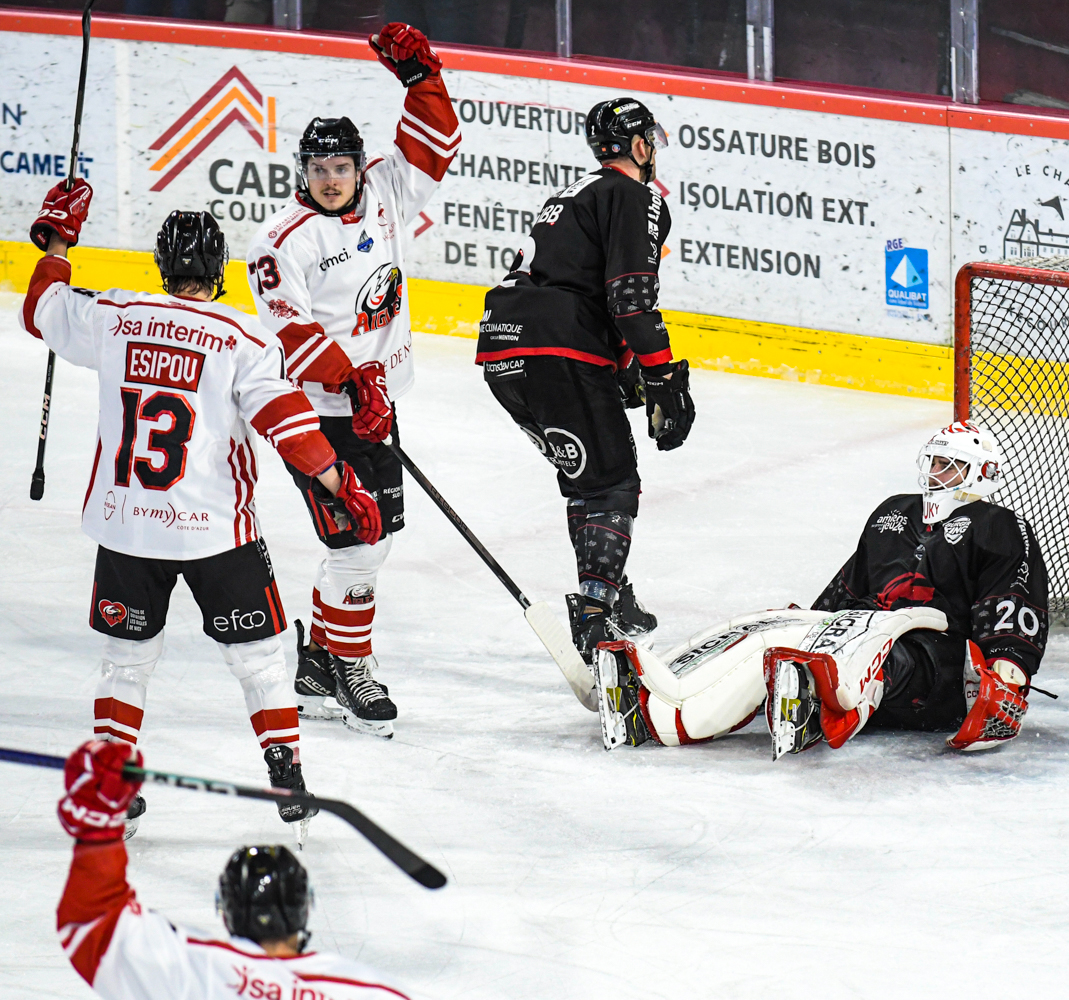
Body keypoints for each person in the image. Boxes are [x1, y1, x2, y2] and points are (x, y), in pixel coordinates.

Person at [20, 184, 382, 836]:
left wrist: (58, 242)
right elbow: (287, 424)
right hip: (216, 531)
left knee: (124, 664)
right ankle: (286, 774)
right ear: (219, 272)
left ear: (162, 267)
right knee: (264, 661)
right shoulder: (242, 336)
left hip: (127, 526)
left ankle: (116, 785)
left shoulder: (114, 315)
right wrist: (340, 483)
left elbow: (42, 309)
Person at [589, 422, 1049, 758]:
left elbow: (1013, 603)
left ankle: (812, 698)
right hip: (865, 633)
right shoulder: (894, 511)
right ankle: (654, 704)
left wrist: (1009, 672)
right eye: (934, 461)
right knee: (771, 641)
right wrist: (802, 625)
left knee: (885, 657)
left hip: (937, 663)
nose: (936, 473)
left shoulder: (997, 525)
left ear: (981, 473)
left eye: (951, 466)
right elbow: (849, 586)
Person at [245, 22, 460, 738]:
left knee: (376, 539)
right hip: (317, 417)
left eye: (341, 166)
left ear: (359, 166)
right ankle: (350, 667)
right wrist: (354, 384)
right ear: (302, 172)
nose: (331, 179)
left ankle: (316, 661)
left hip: (378, 403)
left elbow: (436, 147)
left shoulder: (387, 191)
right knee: (356, 545)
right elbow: (294, 337)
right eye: (319, 169)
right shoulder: (279, 243)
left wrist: (419, 81)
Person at [477, 96, 694, 686]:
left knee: (587, 477)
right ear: (641, 145)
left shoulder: (570, 194)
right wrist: (663, 374)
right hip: (558, 346)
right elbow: (629, 298)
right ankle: (596, 614)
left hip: (503, 349)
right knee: (613, 482)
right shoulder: (638, 195)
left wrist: (622, 365)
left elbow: (578, 279)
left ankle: (610, 593)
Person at [55, 740, 410, 999]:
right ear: (305, 908)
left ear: (225, 909)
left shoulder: (193, 969)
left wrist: (98, 827)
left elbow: (91, 922)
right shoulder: (366, 991)